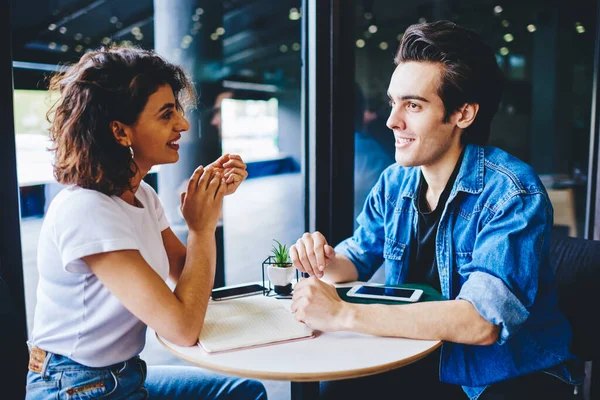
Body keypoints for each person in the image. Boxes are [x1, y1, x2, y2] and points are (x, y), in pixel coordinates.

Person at [289, 21, 583, 400]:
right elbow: (357, 257)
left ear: (463, 114)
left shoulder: (511, 191)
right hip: (420, 355)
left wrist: (344, 314)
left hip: (502, 373)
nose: (392, 120)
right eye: (393, 102)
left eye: (413, 105)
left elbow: (482, 322)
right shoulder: (395, 181)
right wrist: (322, 259)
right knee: (335, 389)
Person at [26, 46, 267, 400]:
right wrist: (202, 228)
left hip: (123, 375)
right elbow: (182, 327)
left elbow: (187, 273)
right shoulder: (87, 210)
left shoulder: (141, 196)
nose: (183, 124)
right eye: (166, 114)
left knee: (241, 392)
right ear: (121, 132)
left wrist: (208, 198)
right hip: (75, 386)